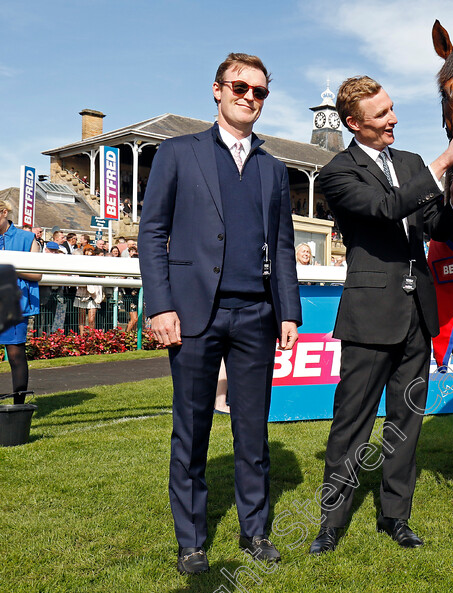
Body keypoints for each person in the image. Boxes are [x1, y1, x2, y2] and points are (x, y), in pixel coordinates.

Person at [138, 52, 302, 575]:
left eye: (259, 91)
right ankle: (191, 541)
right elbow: (152, 233)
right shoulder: (177, 153)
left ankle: (255, 532)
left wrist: (288, 312)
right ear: (216, 89)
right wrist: (160, 304)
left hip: (256, 315)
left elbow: (281, 246)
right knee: (192, 431)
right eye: (239, 87)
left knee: (252, 432)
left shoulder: (274, 170)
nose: (249, 97)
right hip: (192, 315)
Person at [308, 75, 453, 555]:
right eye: (382, 114)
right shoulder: (337, 173)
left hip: (415, 313)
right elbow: (384, 209)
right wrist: (442, 162)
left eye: (392, 108)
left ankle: (395, 518)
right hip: (369, 313)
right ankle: (330, 523)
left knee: (405, 422)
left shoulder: (409, 163)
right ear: (353, 124)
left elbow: (433, 226)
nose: (394, 120)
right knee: (352, 423)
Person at [0, 201, 41, 404]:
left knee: (16, 356)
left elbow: (37, 274)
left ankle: (18, 409)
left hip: (14, 303)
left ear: (4, 212)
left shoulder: (28, 238)